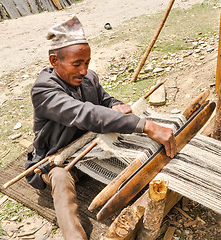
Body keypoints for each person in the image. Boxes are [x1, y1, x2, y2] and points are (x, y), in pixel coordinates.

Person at [25, 15, 177, 240]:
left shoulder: (87, 78)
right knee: (59, 178)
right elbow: (86, 114)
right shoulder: (44, 90)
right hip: (58, 155)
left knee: (136, 154)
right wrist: (145, 126)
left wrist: (116, 106)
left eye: (87, 62)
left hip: (93, 145)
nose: (84, 70)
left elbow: (104, 101)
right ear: (54, 60)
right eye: (77, 64)